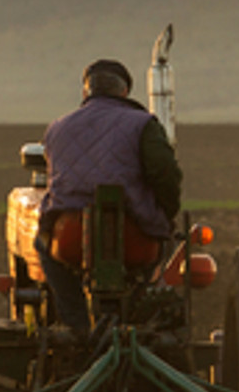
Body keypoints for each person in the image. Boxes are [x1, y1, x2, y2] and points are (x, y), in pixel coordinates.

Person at [34, 58, 182, 332]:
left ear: (85, 92)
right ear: (124, 92)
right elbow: (165, 174)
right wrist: (166, 213)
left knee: (42, 244)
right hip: (135, 236)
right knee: (165, 243)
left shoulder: (57, 127)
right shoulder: (143, 124)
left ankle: (76, 325)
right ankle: (138, 317)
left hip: (71, 238)